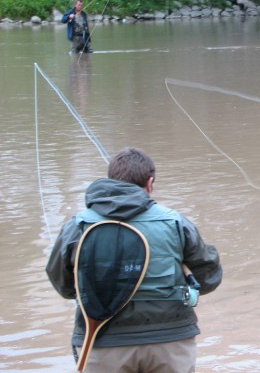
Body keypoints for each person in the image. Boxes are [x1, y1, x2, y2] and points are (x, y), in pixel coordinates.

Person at [46, 147, 223, 373]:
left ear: (112, 180)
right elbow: (209, 277)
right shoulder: (177, 222)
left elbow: (62, 283)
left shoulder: (76, 226)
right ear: (150, 183)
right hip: (171, 339)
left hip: (101, 340)